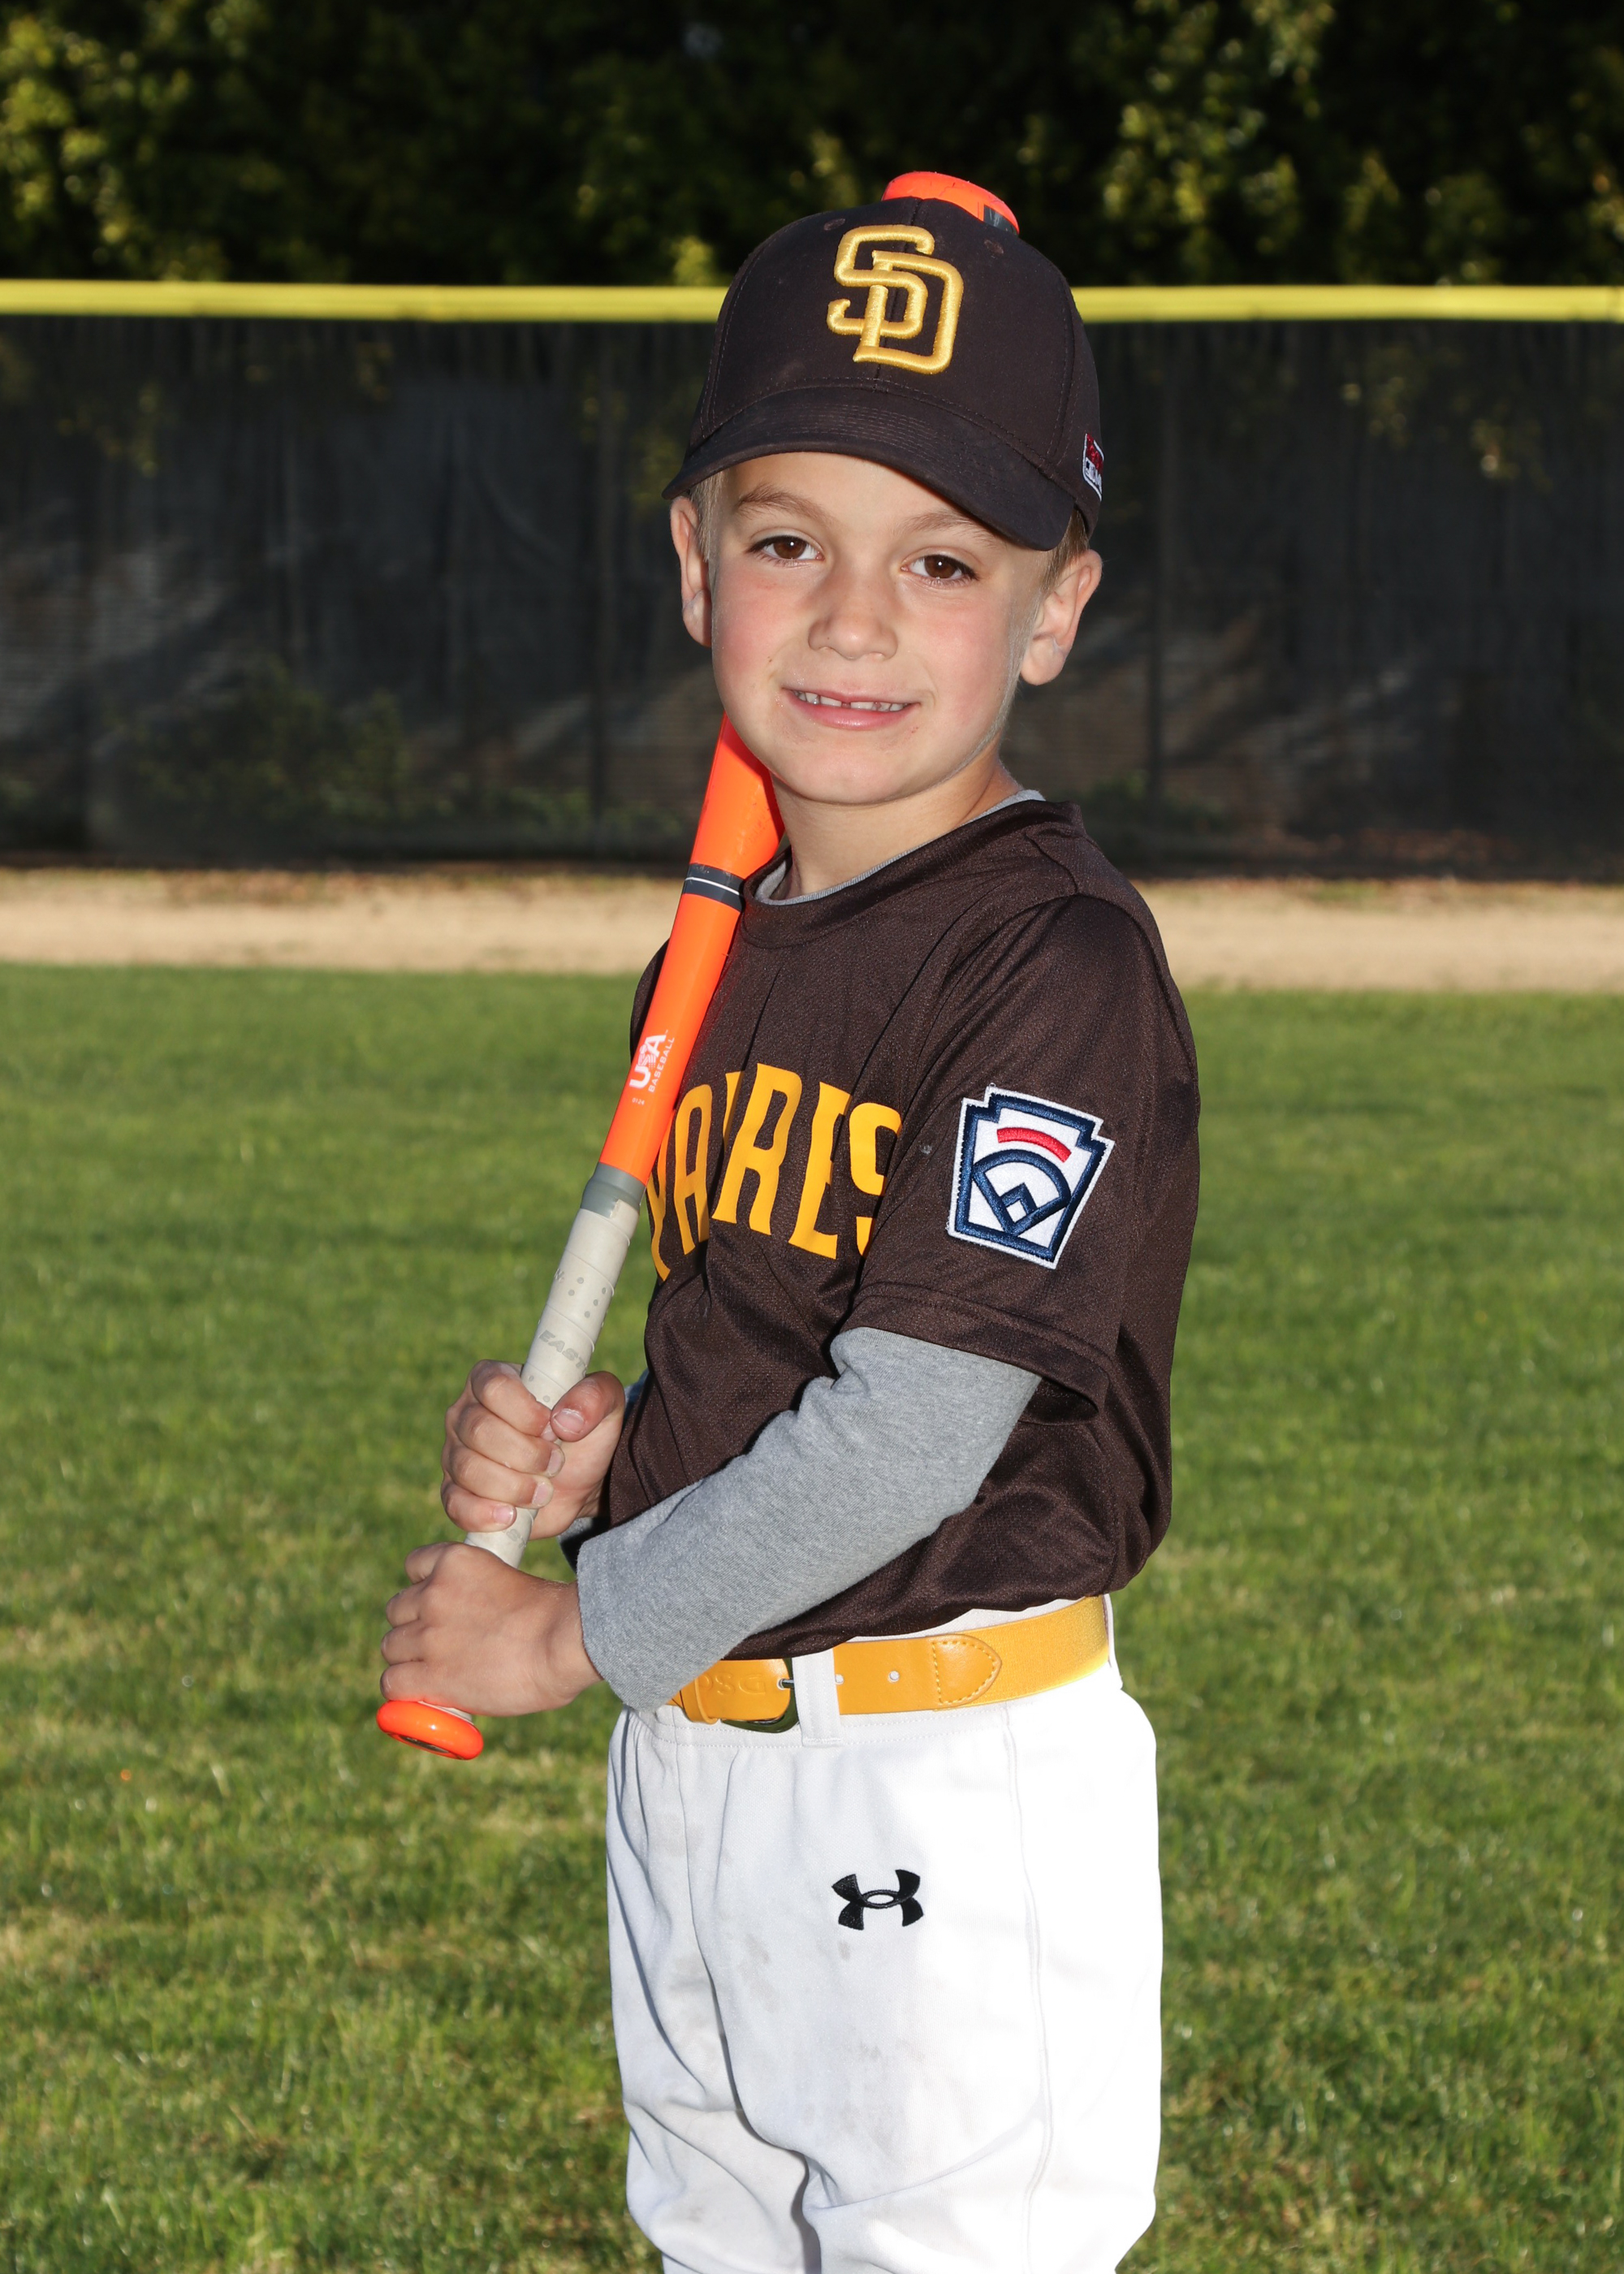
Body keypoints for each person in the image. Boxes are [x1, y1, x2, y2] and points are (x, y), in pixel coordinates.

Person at [381, 171, 1200, 2274]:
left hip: (933, 1768)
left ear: (1054, 611)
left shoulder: (1051, 964)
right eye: (787, 541)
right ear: (693, 566)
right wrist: (620, 1457)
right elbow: (779, 1338)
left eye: (942, 560)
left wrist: (568, 1629)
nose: (852, 617)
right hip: (705, 1769)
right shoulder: (738, 938)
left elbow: (910, 1436)